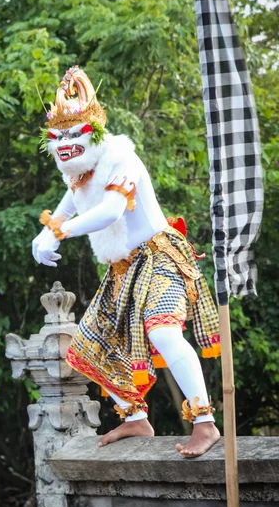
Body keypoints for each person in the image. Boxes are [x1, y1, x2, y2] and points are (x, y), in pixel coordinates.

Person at [32, 66, 221, 458]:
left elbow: (110, 212)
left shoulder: (122, 158)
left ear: (95, 132)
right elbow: (65, 212)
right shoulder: (78, 175)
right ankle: (135, 417)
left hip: (159, 258)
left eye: (74, 133)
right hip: (122, 270)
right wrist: (44, 236)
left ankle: (205, 422)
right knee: (90, 342)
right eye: (59, 136)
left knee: (164, 332)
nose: (66, 142)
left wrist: (60, 233)